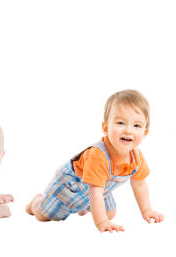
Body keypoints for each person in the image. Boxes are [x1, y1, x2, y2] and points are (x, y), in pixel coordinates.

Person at [26, 89, 163, 232]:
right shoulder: (98, 155)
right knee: (44, 216)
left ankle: (84, 206)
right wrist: (101, 222)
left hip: (98, 189)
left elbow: (139, 184)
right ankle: (36, 202)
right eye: (121, 123)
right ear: (106, 128)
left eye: (136, 126)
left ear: (144, 132)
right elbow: (94, 191)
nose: (128, 130)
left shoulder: (137, 157)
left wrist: (146, 210)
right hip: (71, 185)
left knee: (110, 213)